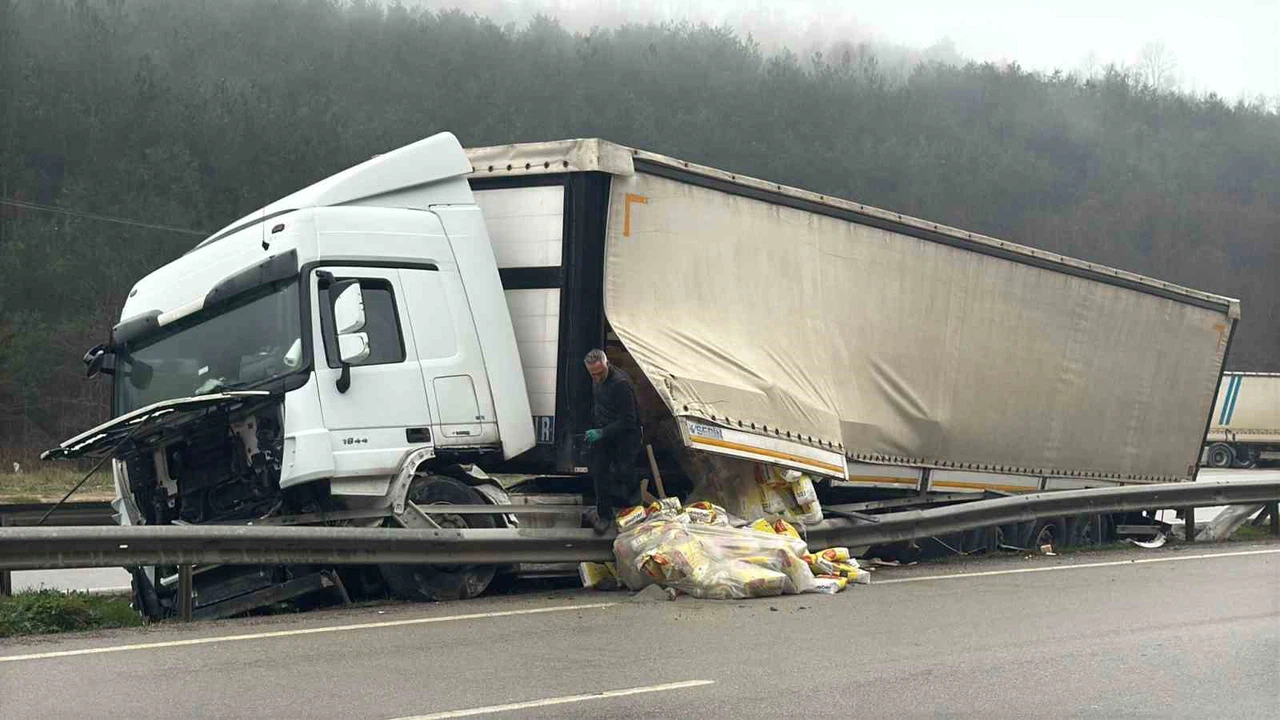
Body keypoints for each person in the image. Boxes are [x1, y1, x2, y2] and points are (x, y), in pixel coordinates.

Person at [583, 348, 641, 534]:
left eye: (600, 373)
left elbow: (629, 419)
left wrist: (602, 431)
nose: (597, 377)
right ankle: (604, 515)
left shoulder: (621, 384)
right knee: (599, 472)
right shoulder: (596, 380)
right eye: (593, 374)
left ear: (607, 364)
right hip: (605, 434)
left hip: (624, 436)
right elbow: (599, 405)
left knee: (625, 473)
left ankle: (635, 510)